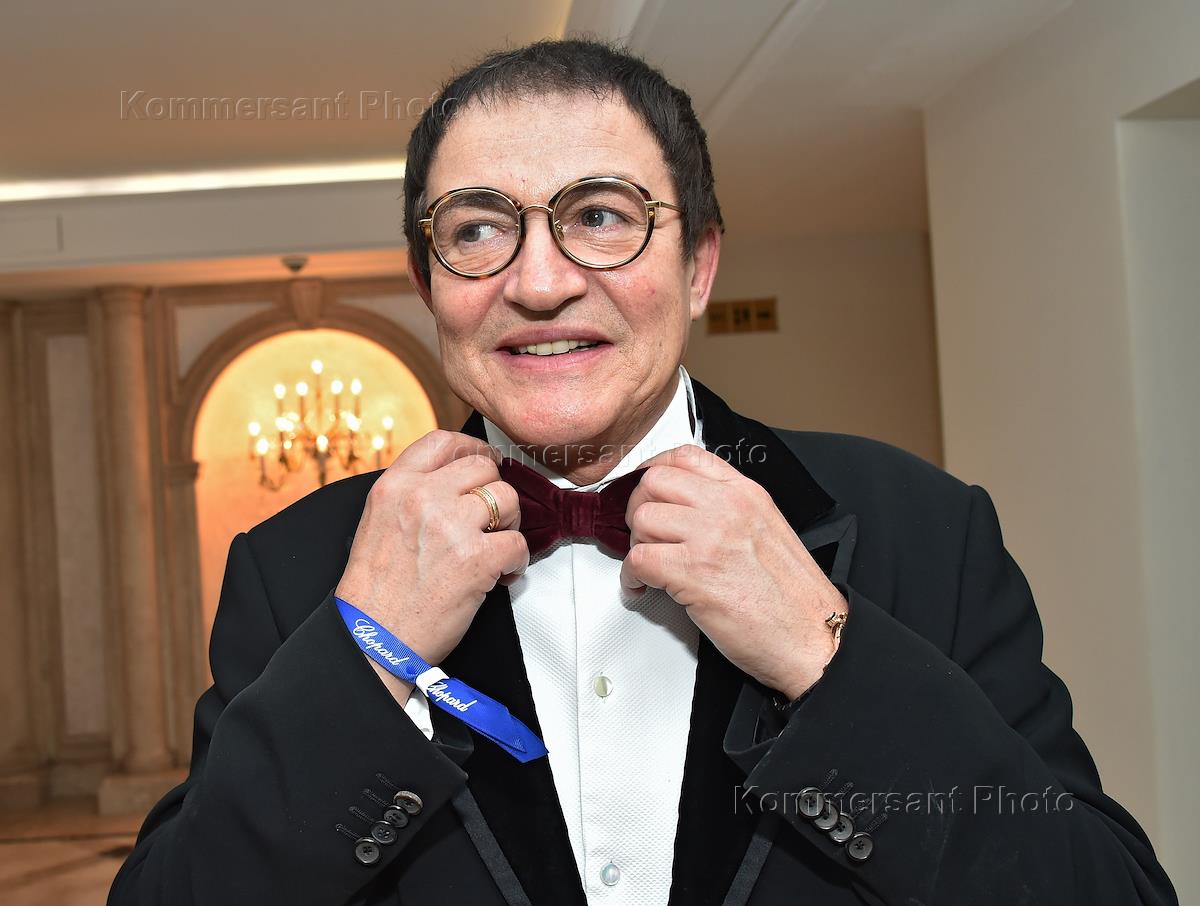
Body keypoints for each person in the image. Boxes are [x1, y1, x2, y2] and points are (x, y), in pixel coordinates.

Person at [109, 39, 1177, 906]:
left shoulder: (926, 530)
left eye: (600, 217)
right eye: (476, 229)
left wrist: (825, 653)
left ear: (699, 263)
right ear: (429, 285)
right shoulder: (296, 568)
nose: (538, 282)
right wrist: (365, 656)